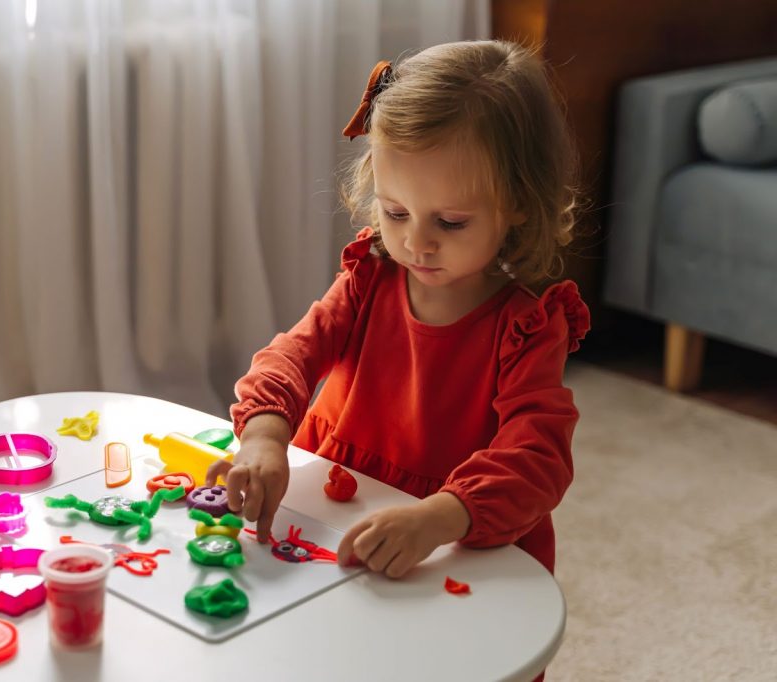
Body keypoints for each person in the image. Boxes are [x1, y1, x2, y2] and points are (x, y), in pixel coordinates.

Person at [210, 40, 590, 580]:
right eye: (396, 211)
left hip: (453, 534)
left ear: (520, 204)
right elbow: (292, 355)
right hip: (335, 504)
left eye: (450, 222)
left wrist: (442, 516)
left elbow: (538, 457)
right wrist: (264, 436)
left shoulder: (527, 327)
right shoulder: (369, 279)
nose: (417, 243)